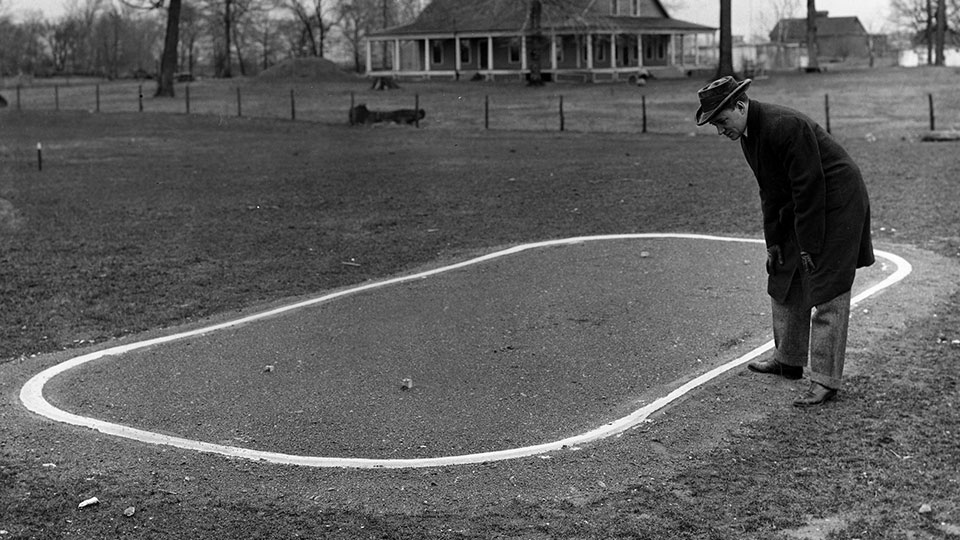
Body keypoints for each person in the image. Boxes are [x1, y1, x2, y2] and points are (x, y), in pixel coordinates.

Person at [694, 76, 875, 407]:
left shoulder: (785, 125)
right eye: (715, 125)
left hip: (837, 202)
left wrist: (808, 246)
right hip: (805, 203)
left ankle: (825, 380)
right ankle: (788, 360)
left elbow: (810, 187)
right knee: (783, 272)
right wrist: (774, 241)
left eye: (721, 121)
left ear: (740, 106)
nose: (720, 130)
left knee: (828, 285)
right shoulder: (748, 135)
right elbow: (771, 191)